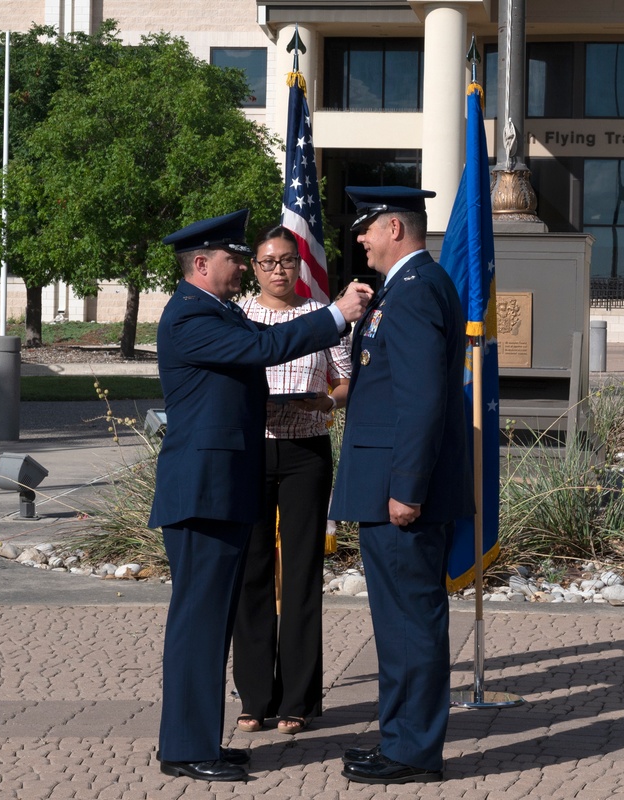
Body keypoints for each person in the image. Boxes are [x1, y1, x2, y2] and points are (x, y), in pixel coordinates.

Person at [149, 209, 371, 783]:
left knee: (210, 622)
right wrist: (335, 315)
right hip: (202, 492)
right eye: (234, 259)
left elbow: (268, 338)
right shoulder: (190, 316)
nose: (243, 269)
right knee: (199, 624)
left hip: (219, 489)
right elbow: (269, 348)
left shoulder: (215, 310)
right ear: (201, 263)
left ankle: (199, 740)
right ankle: (184, 747)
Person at [329, 186, 473, 785]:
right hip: (389, 484)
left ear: (394, 228)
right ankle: (400, 740)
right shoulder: (407, 288)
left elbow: (420, 401)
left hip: (399, 492)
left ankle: (412, 752)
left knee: (410, 622)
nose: (359, 239)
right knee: (397, 623)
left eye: (366, 228)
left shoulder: (414, 292)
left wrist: (407, 488)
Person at [232, 225, 352, 735]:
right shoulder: (238, 317)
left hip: (306, 450)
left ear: (299, 265)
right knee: (252, 571)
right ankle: (256, 698)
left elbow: (348, 380)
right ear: (254, 267)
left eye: (286, 260)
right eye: (267, 261)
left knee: (302, 573)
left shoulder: (321, 318)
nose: (277, 269)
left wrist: (326, 400)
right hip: (252, 450)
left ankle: (299, 700)